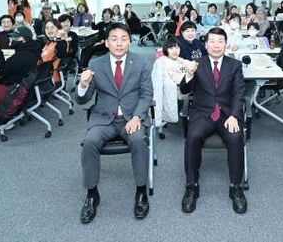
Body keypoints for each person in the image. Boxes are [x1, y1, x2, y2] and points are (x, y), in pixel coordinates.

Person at [77, 23, 153, 223]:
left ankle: (141, 191)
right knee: (89, 142)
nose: (119, 43)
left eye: (124, 39)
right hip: (104, 119)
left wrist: (137, 116)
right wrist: (83, 84)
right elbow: (83, 99)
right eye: (114, 38)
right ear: (106, 42)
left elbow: (146, 94)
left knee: (138, 141)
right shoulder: (96, 64)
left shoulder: (140, 62)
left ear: (130, 41)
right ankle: (92, 195)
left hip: (132, 118)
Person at [179, 27, 247, 214]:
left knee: (235, 137)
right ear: (206, 44)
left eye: (220, 41)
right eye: (212, 41)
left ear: (226, 44)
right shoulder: (197, 64)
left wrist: (234, 115)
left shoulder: (235, 65)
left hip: (227, 114)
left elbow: (239, 93)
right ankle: (191, 186)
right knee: (192, 137)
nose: (216, 45)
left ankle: (236, 187)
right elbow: (185, 90)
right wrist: (189, 74)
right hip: (203, 113)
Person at [151, 36, 197, 130]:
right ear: (166, 49)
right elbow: (177, 78)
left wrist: (192, 67)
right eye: (171, 48)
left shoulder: (179, 60)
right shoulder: (163, 63)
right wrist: (189, 73)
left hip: (184, 85)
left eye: (177, 47)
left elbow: (188, 64)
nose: (175, 50)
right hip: (177, 90)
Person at [40, 19, 69, 85]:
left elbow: (60, 54)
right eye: (47, 28)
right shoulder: (49, 42)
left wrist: (58, 37)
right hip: (41, 73)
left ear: (58, 29)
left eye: (52, 27)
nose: (49, 30)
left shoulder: (61, 42)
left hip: (49, 78)